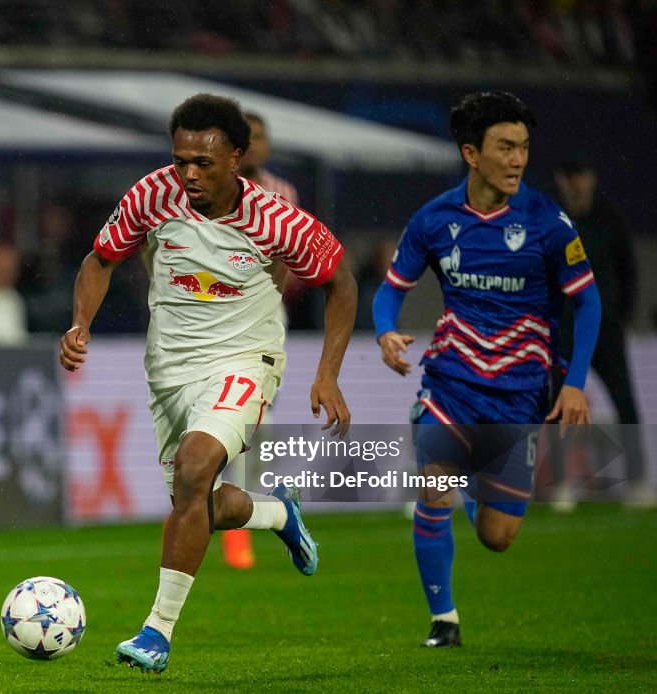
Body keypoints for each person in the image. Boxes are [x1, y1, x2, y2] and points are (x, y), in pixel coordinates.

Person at [59, 93, 357, 674]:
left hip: (246, 360)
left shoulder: (277, 219)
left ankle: (156, 634)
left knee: (196, 471)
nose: (189, 174)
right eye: (181, 161)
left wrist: (327, 374)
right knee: (192, 505)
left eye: (204, 163)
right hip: (168, 368)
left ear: (238, 159)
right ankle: (276, 514)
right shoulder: (152, 196)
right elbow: (100, 259)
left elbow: (341, 282)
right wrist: (80, 324)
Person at [373, 91, 601, 648]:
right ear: (472, 154)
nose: (518, 159)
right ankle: (443, 620)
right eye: (505, 147)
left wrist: (573, 384)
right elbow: (389, 292)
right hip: (450, 379)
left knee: (497, 537)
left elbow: (589, 304)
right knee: (433, 490)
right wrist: (385, 330)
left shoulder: (549, 222)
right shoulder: (434, 219)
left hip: (519, 392)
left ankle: (473, 486)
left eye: (523, 147)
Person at [224, 110, 304, 570]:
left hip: (263, 317)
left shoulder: (283, 195)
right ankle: (215, 506)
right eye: (245, 137)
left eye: (260, 137)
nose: (253, 145)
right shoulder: (209, 188)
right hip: (212, 316)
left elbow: (291, 258)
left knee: (256, 423)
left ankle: (241, 516)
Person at [552, 154, 654, 508]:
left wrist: (619, 317)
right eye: (570, 176)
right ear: (561, 181)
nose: (576, 183)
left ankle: (639, 481)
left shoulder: (609, 219)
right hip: (565, 332)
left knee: (626, 403)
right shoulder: (553, 222)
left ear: (591, 178)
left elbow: (628, 272)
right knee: (557, 407)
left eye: (580, 175)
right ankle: (562, 486)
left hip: (607, 331)